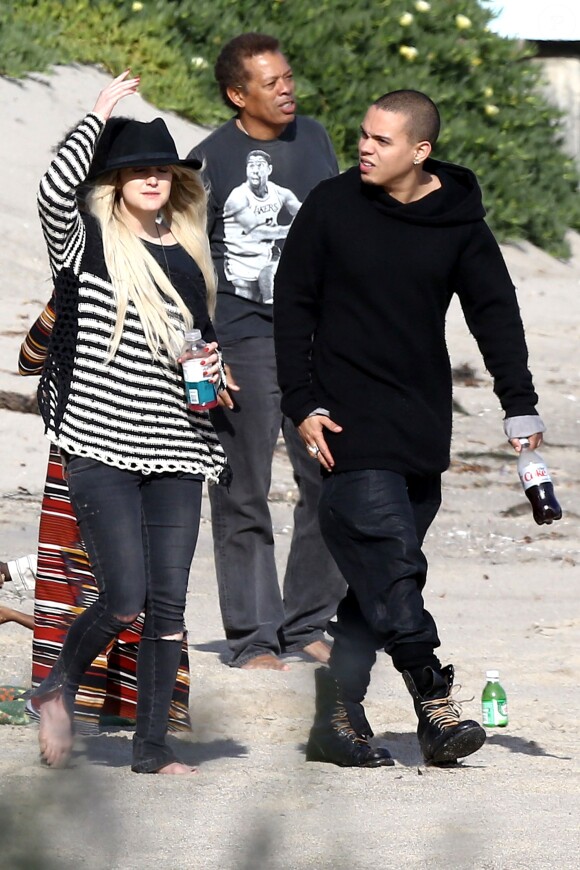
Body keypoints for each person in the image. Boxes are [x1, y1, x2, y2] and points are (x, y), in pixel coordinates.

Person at [274, 89, 545, 767]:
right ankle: (433, 698)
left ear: (420, 151)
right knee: (393, 565)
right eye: (362, 135)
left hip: (420, 426)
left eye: (382, 140)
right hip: (342, 424)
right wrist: (301, 401)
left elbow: (495, 315)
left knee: (379, 581)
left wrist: (519, 403)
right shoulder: (331, 206)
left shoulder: (458, 224)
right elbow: (292, 307)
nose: (364, 147)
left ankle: (333, 721)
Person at [30, 70, 229, 773]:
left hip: (180, 445)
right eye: (137, 169)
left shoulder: (190, 251)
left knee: (168, 610)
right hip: (101, 444)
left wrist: (214, 369)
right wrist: (97, 114)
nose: (151, 178)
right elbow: (53, 192)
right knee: (123, 597)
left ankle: (152, 748)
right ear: (114, 181)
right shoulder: (88, 240)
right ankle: (56, 689)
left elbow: (197, 341)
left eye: (161, 170)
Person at [188, 32, 345, 671]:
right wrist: (205, 349)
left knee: (331, 476)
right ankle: (254, 634)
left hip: (317, 337)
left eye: (288, 76)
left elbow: (338, 227)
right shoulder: (207, 160)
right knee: (243, 488)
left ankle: (307, 620)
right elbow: (188, 264)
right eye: (271, 81)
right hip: (243, 338)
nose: (287, 88)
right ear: (237, 93)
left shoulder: (316, 138)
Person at [17, 282, 192, 734]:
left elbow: (29, 360)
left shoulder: (82, 287)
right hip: (151, 450)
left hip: (84, 451)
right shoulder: (168, 286)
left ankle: (68, 698)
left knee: (78, 576)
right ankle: (129, 707)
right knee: (144, 581)